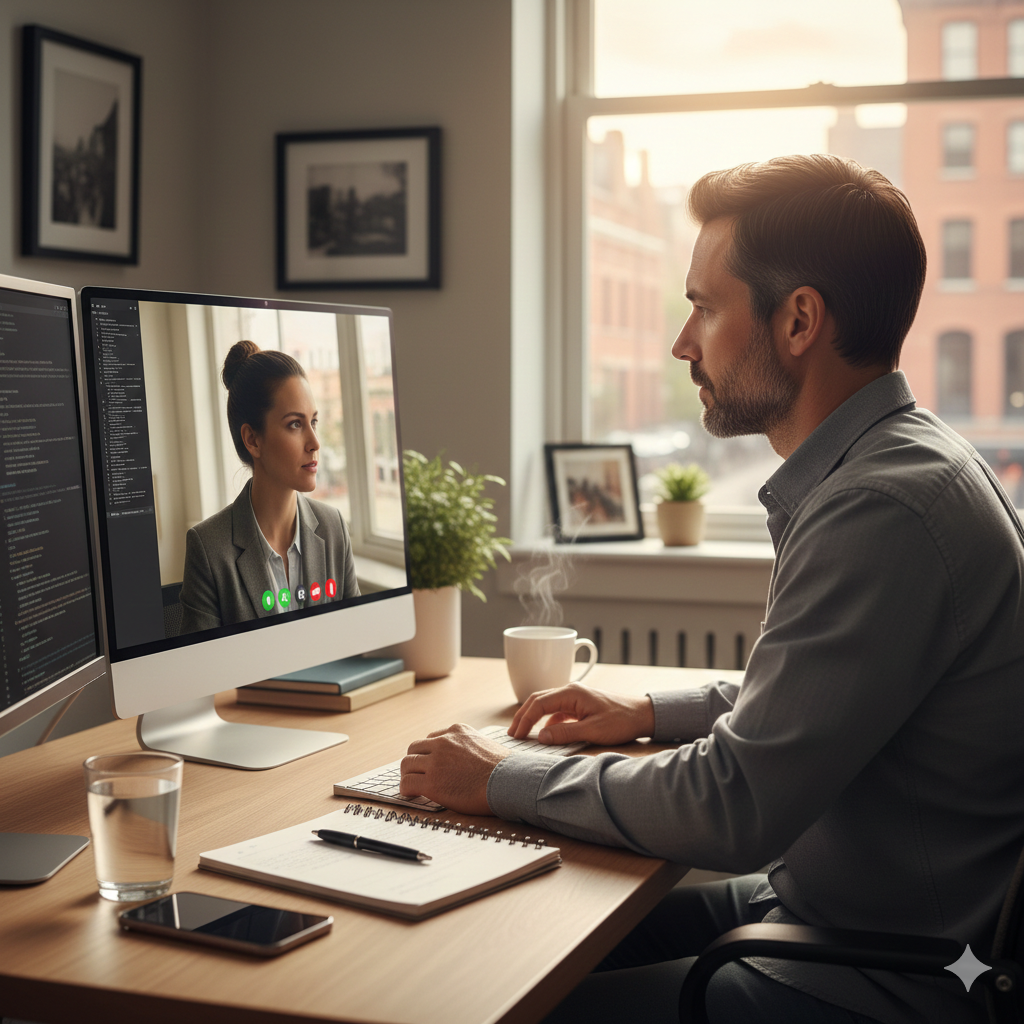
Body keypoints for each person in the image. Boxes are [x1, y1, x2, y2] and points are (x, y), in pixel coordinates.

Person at [398, 155, 1024, 1024]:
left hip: (887, 968)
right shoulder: (904, 460)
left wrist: (503, 775)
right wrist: (649, 712)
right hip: (836, 910)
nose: (682, 342)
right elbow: (827, 696)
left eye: (704, 305)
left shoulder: (881, 505)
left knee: (499, 999)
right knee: (529, 937)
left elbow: (733, 804)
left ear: (799, 319)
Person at [179, 340, 358, 634]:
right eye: (295, 425)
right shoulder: (209, 549)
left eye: (313, 421)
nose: (315, 443)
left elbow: (356, 641)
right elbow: (201, 676)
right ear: (253, 440)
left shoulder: (333, 527)